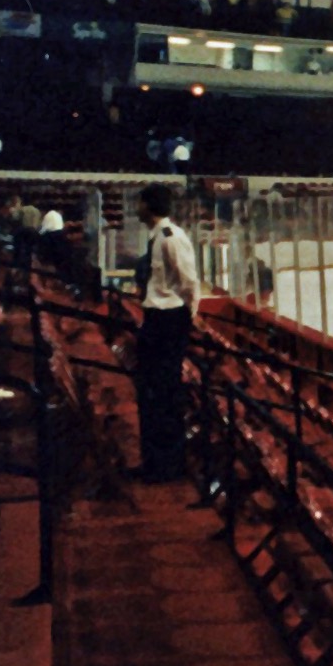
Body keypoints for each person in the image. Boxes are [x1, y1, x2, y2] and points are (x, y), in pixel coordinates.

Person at [132, 185, 199, 483]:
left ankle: (168, 465)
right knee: (151, 392)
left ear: (149, 205)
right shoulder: (157, 236)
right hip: (158, 319)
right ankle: (155, 461)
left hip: (169, 320)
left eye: (140, 202)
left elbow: (189, 282)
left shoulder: (172, 238)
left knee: (164, 393)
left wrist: (188, 317)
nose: (137, 207)